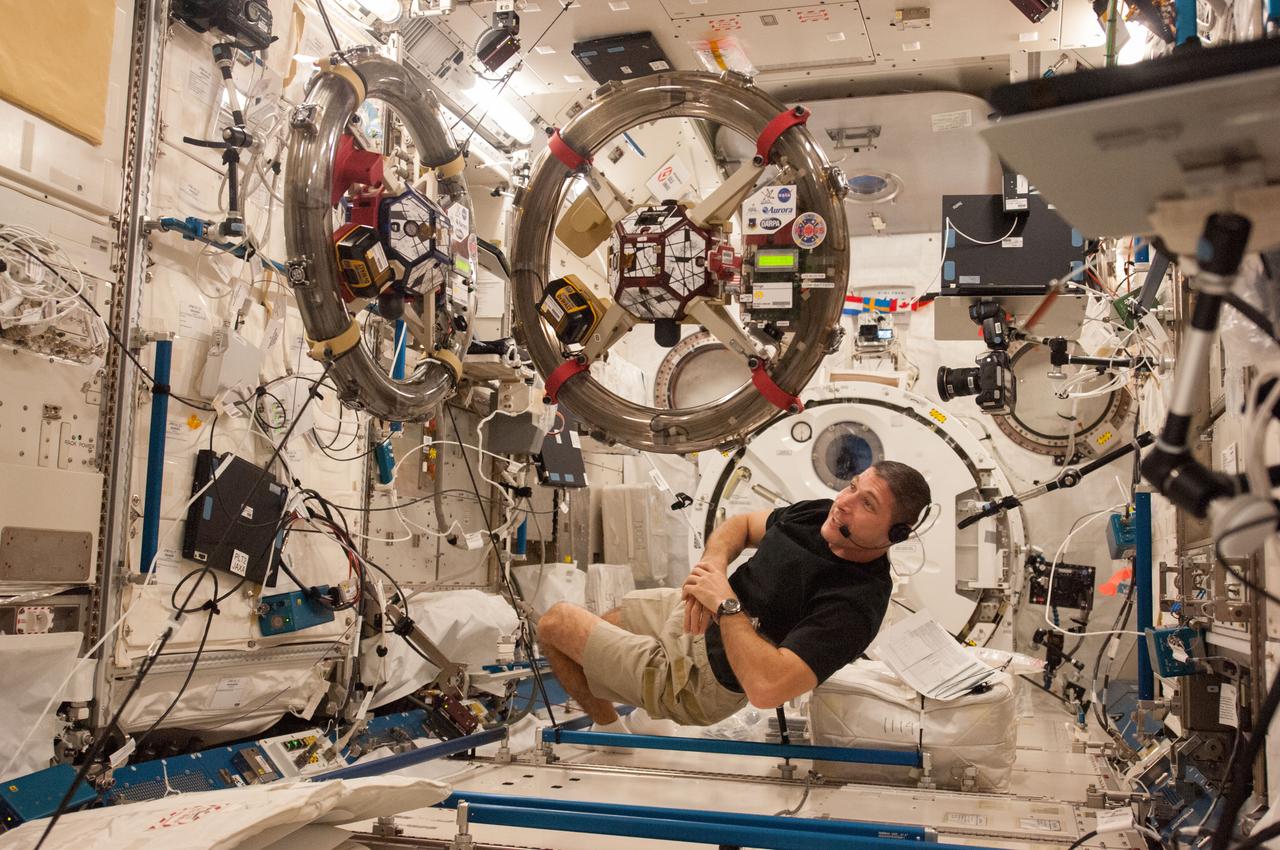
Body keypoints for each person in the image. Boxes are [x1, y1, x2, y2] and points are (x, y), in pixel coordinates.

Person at [535, 460, 932, 729]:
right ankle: (642, 717)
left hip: (705, 678)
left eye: (867, 503)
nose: (843, 504)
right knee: (601, 628)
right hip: (698, 614)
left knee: (556, 625)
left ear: (894, 534)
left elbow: (767, 688)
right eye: (852, 486)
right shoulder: (817, 514)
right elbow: (740, 525)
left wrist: (724, 604)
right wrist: (712, 568)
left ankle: (611, 743)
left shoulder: (857, 602)